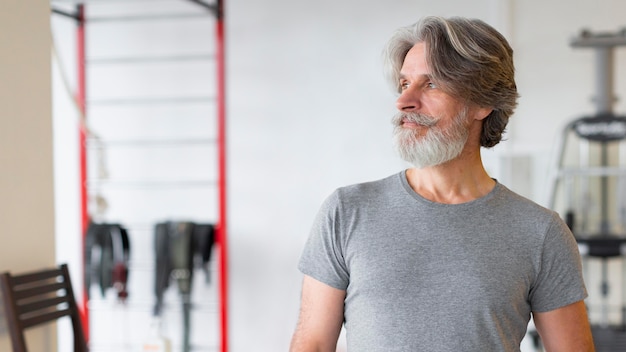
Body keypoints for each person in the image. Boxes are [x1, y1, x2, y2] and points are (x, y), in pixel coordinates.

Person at [290, 16, 595, 352]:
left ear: (483, 102)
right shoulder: (346, 212)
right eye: (404, 84)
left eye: (431, 84)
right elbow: (313, 344)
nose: (404, 101)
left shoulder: (540, 232)